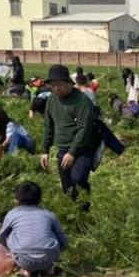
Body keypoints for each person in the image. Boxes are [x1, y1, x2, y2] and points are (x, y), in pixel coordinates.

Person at [40, 65, 100, 212]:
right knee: (67, 187)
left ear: (68, 83)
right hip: (63, 148)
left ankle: (85, 209)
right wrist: (45, 149)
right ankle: (74, 212)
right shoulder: (52, 101)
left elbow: (84, 130)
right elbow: (49, 126)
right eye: (53, 85)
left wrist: (73, 152)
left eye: (59, 85)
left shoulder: (82, 101)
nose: (55, 89)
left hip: (83, 148)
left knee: (78, 179)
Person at [0, 181, 68, 277]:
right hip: (49, 258)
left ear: (16, 201)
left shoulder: (12, 214)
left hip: (24, 260)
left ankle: (26, 270)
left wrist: (4, 252)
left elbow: (1, 238)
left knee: (9, 234)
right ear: (39, 199)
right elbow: (62, 237)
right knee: (52, 231)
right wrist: (61, 249)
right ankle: (48, 269)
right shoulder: (48, 214)